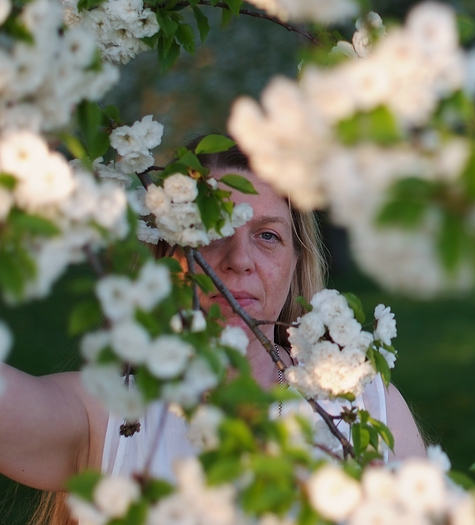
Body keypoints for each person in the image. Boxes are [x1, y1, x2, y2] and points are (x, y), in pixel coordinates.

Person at [0, 145, 425, 525]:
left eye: (267, 236)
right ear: (169, 255)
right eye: (209, 231)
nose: (239, 260)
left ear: (297, 262)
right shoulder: (108, 415)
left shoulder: (364, 407)